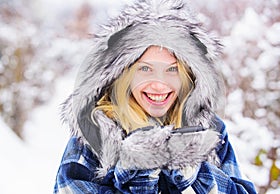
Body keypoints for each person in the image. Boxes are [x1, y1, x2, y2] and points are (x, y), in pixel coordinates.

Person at [54, 0, 257, 193]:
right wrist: (139, 168)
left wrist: (193, 169)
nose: (159, 84)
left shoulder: (210, 130)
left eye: (172, 70)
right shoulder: (95, 133)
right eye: (145, 68)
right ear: (124, 75)